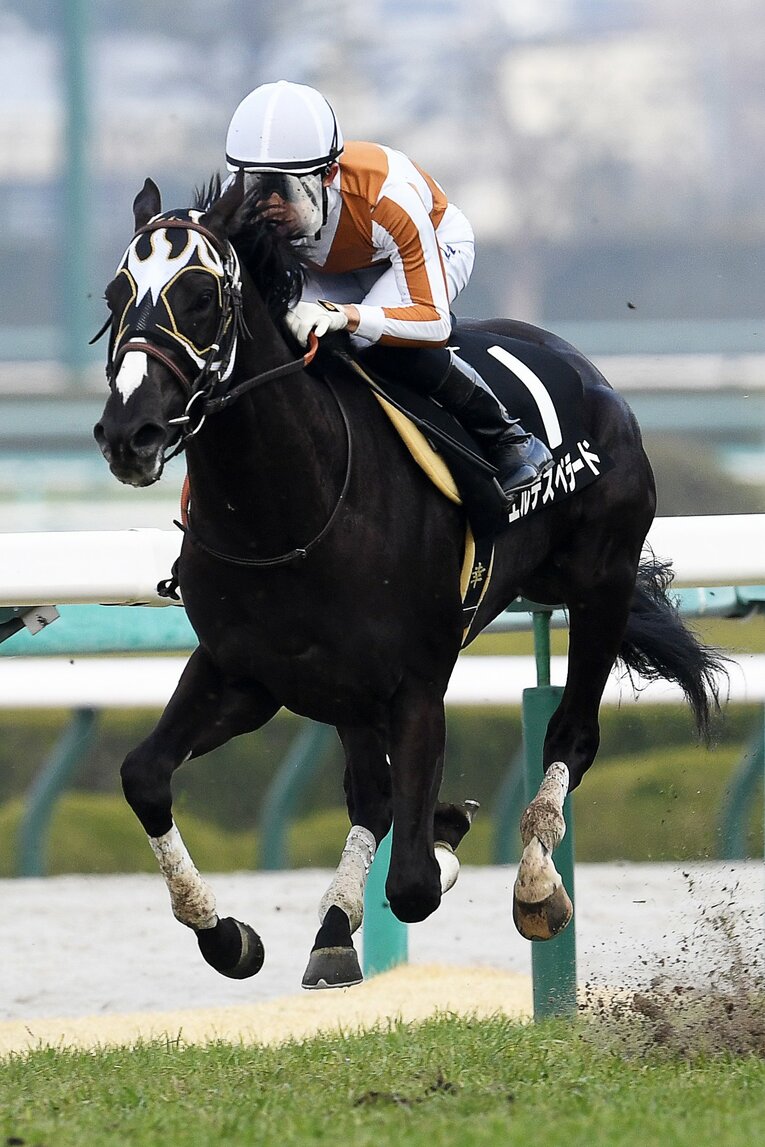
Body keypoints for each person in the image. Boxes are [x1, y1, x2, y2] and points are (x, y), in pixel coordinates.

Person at [224, 80, 552, 497]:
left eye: (284, 187)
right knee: (285, 339)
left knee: (372, 344)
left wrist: (346, 315)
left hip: (430, 243)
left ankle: (510, 440)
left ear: (328, 175)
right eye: (254, 184)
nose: (268, 204)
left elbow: (432, 322)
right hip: (330, 264)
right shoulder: (237, 201)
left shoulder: (389, 197)